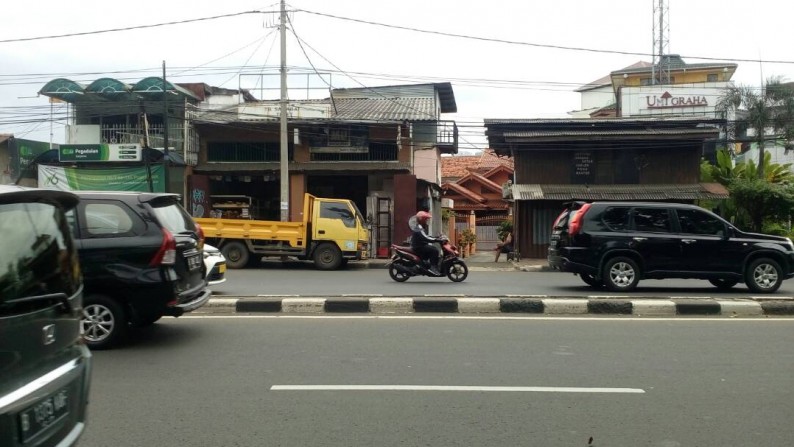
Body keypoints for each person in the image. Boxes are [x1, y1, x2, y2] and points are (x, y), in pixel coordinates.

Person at [410, 210, 441, 275]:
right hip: (419, 247)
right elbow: (426, 238)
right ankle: (433, 267)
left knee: (432, 249)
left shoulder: (420, 227)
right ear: (422, 220)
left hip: (421, 246)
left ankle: (430, 265)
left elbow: (426, 236)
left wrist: (436, 237)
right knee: (434, 250)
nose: (427, 221)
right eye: (426, 219)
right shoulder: (419, 228)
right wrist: (436, 240)